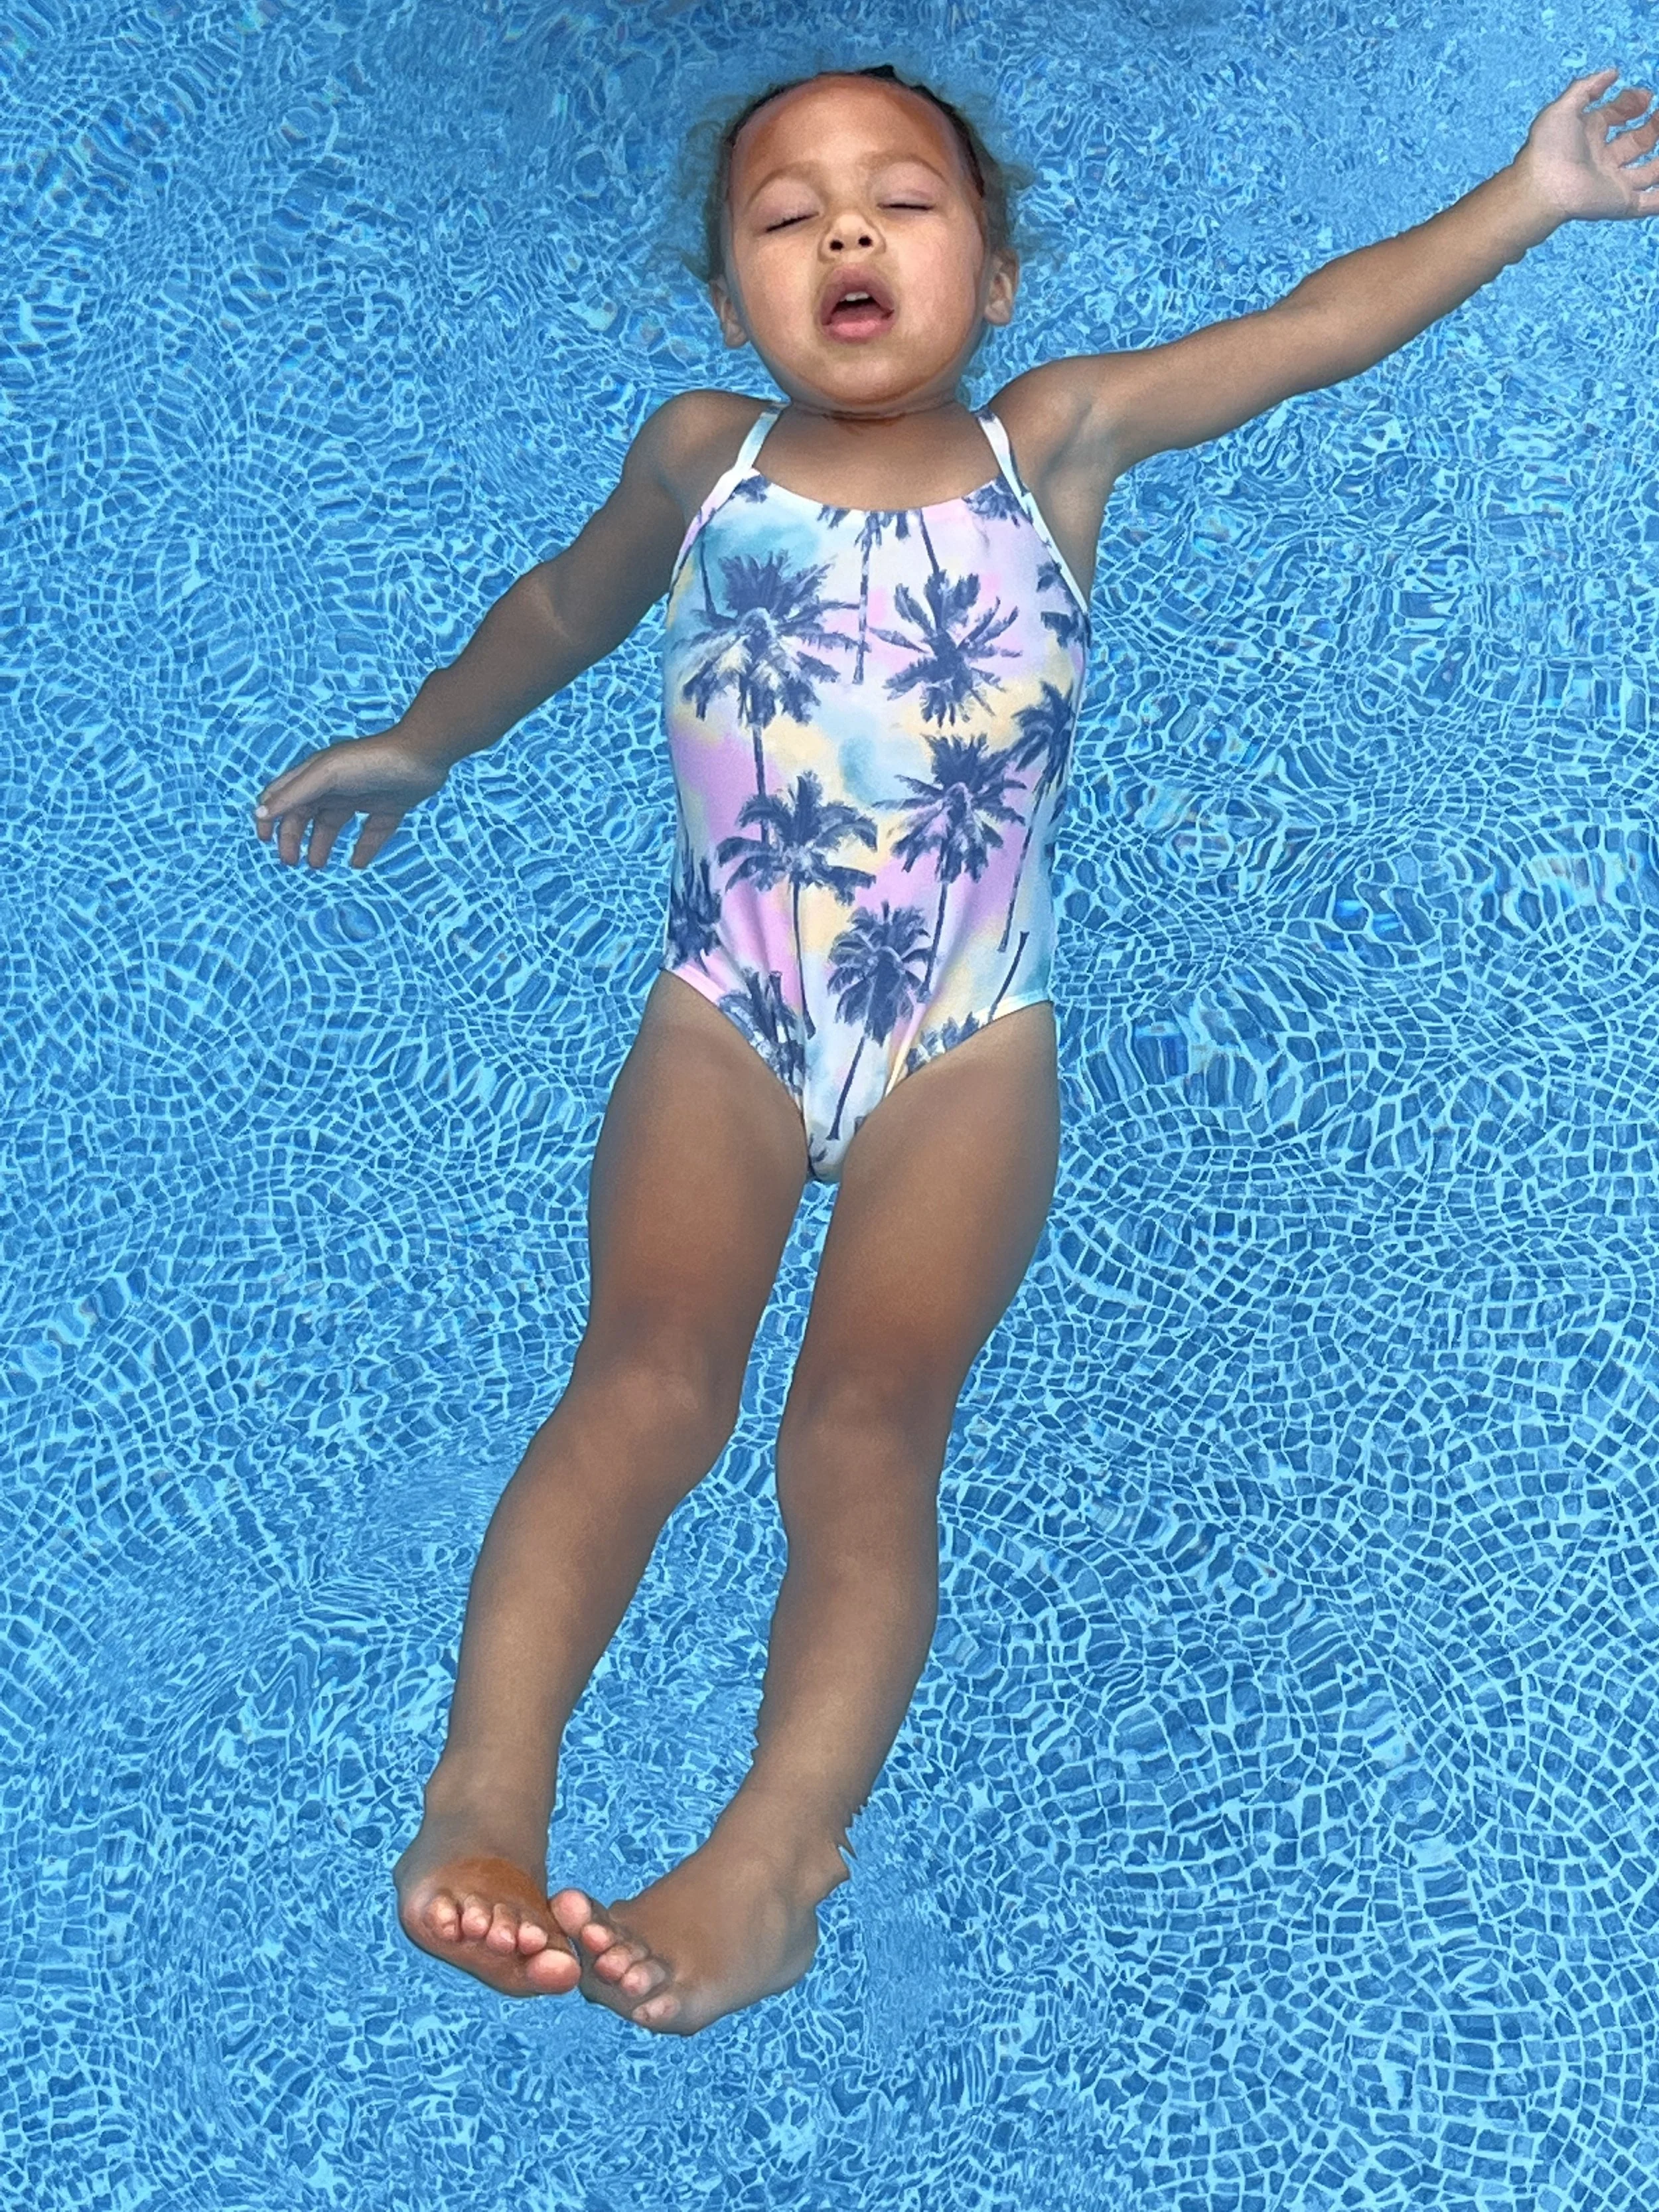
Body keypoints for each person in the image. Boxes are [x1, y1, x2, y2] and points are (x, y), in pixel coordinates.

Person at [254, 62, 1658, 2035]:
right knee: (647, 1380)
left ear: (994, 279)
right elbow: (560, 608)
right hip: (723, 1016)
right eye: (785, 212)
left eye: (899, 200)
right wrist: (422, 734)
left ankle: (769, 1857)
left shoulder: (1049, 446)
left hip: (963, 1049)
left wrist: (1524, 199)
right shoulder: (698, 459)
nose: (843, 230)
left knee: (859, 1427)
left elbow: (1304, 335)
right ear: (726, 288)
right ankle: (479, 1804)